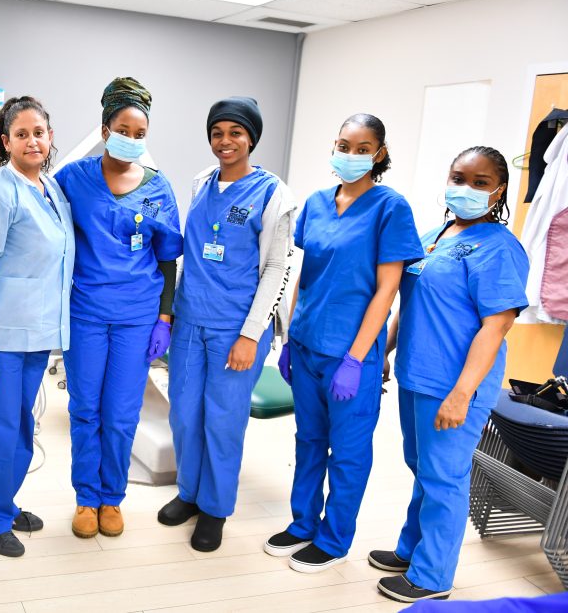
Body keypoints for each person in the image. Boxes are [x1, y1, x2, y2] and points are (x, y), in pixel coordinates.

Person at [266, 113, 423, 573]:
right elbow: (306, 274)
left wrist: (356, 359)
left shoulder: (390, 208)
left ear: (380, 154)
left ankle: (333, 540)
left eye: (362, 148)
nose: (350, 155)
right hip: (307, 343)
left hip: (351, 353)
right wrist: (290, 337)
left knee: (348, 453)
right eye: (343, 146)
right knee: (308, 440)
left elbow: (387, 290)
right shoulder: (317, 203)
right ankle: (302, 523)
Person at [371, 147, 528, 603]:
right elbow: (412, 301)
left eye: (480, 182)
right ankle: (412, 550)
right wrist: (386, 350)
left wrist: (462, 393)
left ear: (498, 191)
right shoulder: (433, 234)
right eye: (459, 178)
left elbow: (496, 326)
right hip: (415, 375)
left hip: (454, 385)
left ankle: (432, 576)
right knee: (422, 469)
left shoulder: (500, 248)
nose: (466, 188)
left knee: (445, 478)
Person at [157, 97, 296, 552]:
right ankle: (189, 493)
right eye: (217, 133)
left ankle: (215, 508)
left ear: (251, 138)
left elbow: (276, 268)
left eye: (235, 132)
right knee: (184, 413)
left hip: (236, 327)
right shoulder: (201, 182)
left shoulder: (273, 193)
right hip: (191, 320)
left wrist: (251, 334)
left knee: (223, 420)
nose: (225, 141)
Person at [53, 77, 183, 539]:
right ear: (105, 129)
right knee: (85, 408)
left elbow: (167, 259)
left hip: (138, 316)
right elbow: (36, 209)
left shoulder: (158, 188)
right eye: (123, 130)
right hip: (86, 311)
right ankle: (86, 498)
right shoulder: (74, 178)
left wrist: (164, 318)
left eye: (140, 133)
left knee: (122, 413)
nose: (131, 139)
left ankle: (112, 497)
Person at [0, 96, 75, 558]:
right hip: (0, 337)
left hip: (36, 333)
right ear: (5, 141)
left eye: (38, 133)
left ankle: (3, 503)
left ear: (50, 137)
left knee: (21, 426)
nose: (32, 141)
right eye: (21, 134)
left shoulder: (50, 189)